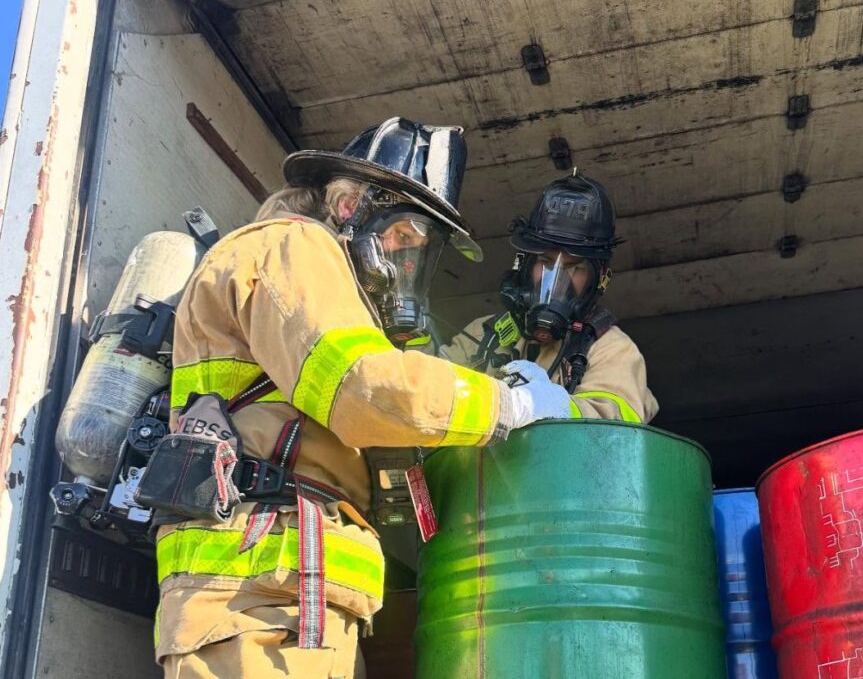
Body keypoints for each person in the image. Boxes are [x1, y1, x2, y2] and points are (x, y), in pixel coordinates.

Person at [154, 118, 570, 678]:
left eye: (422, 249)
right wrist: (509, 404)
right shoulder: (294, 245)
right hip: (256, 596)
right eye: (404, 236)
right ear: (351, 207)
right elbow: (364, 388)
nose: (407, 261)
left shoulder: (321, 278)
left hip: (288, 593)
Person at [442, 171, 658, 424]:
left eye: (574, 268)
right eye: (545, 262)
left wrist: (553, 407)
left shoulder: (611, 349)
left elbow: (616, 426)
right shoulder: (483, 335)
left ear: (598, 279)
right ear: (524, 265)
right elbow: (427, 396)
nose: (557, 279)